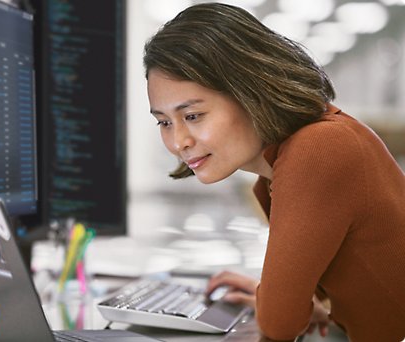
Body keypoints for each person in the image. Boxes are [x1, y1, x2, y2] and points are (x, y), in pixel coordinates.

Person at [143, 3, 405, 342]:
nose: (179, 141)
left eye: (192, 116)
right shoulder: (275, 172)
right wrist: (273, 296)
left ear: (249, 92)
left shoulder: (319, 149)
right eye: (164, 122)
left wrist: (276, 302)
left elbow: (279, 325)